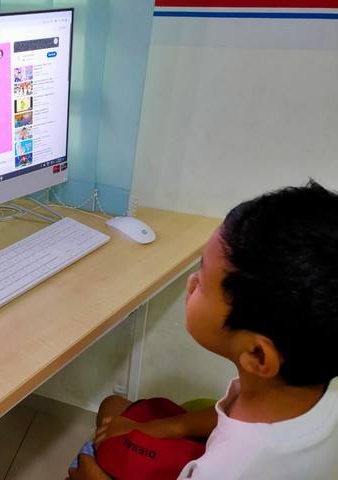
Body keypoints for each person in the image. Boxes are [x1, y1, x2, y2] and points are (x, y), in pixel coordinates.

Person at [68, 180, 338, 479]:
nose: (191, 281)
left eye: (203, 281)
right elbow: (231, 412)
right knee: (113, 406)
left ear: (258, 356)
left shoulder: (225, 471)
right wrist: (167, 427)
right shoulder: (303, 387)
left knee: (85, 460)